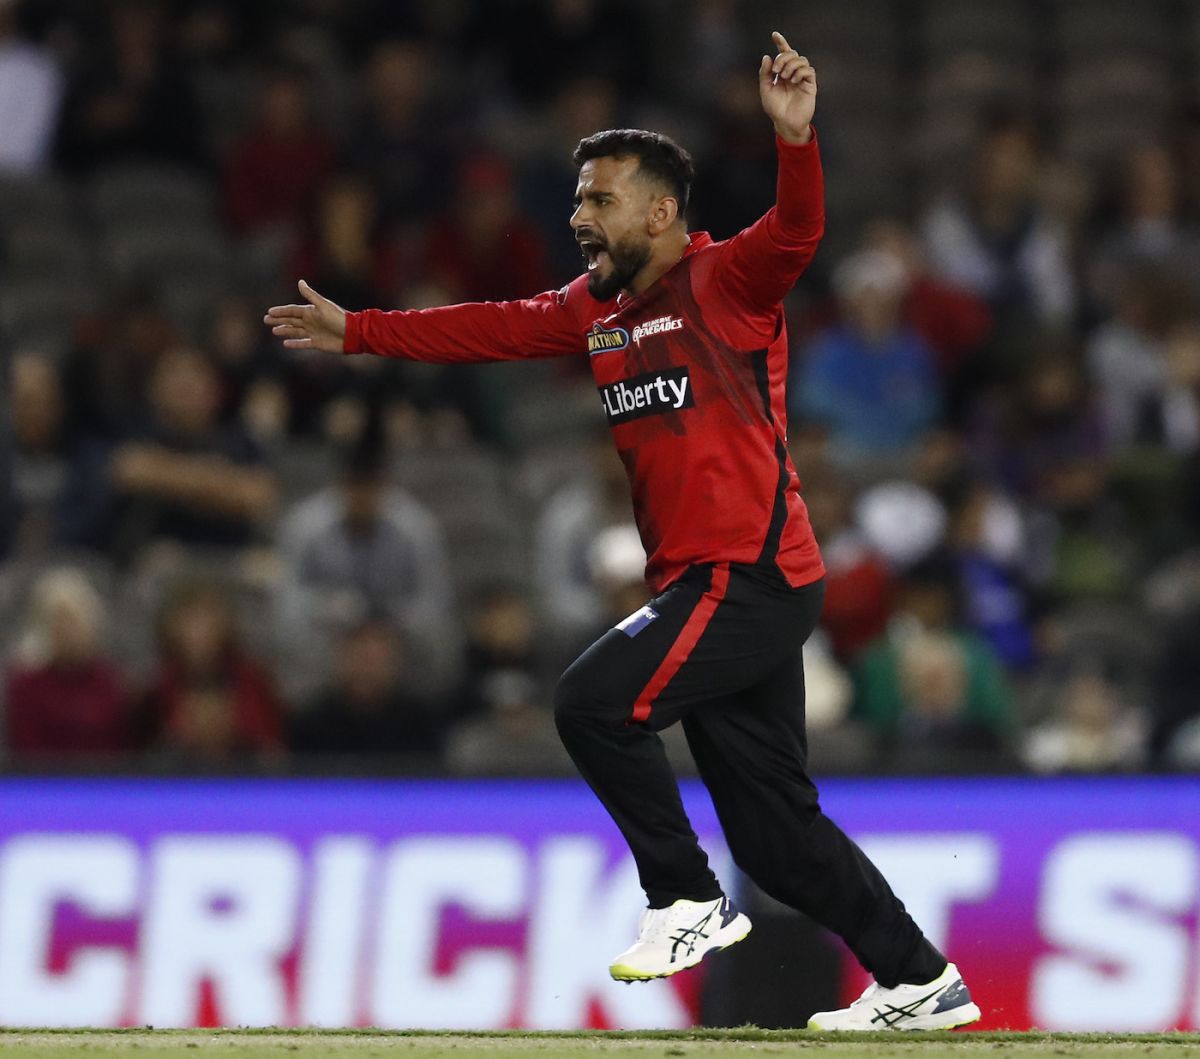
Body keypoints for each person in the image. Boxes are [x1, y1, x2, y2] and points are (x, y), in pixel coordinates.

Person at [264, 32, 979, 1032]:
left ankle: (683, 901)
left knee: (592, 703)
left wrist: (797, 137)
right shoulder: (594, 315)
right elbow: (493, 327)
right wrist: (363, 332)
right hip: (713, 587)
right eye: (576, 201)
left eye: (598, 200)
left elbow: (801, 228)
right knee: (774, 838)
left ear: (660, 210)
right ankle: (919, 981)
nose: (578, 218)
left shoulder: (729, 282)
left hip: (750, 576)